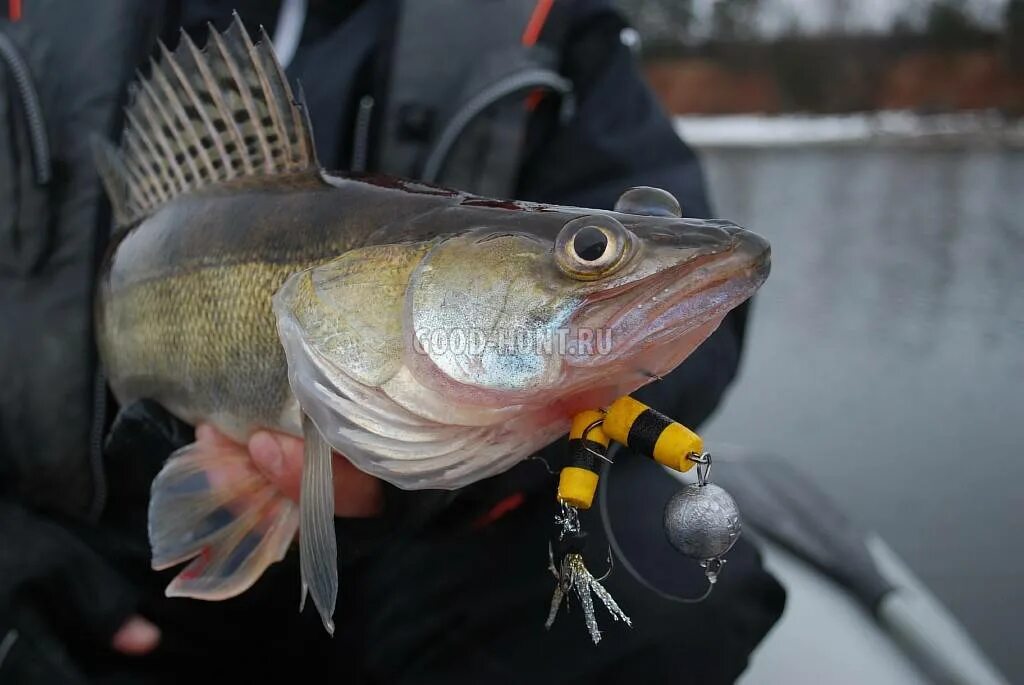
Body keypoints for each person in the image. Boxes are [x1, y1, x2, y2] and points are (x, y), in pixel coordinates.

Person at [0, 1, 784, 682]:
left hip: (430, 568)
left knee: (674, 573)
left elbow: (700, 336)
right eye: (589, 255)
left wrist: (454, 482)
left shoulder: (558, 26)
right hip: (88, 564)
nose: (596, 267)